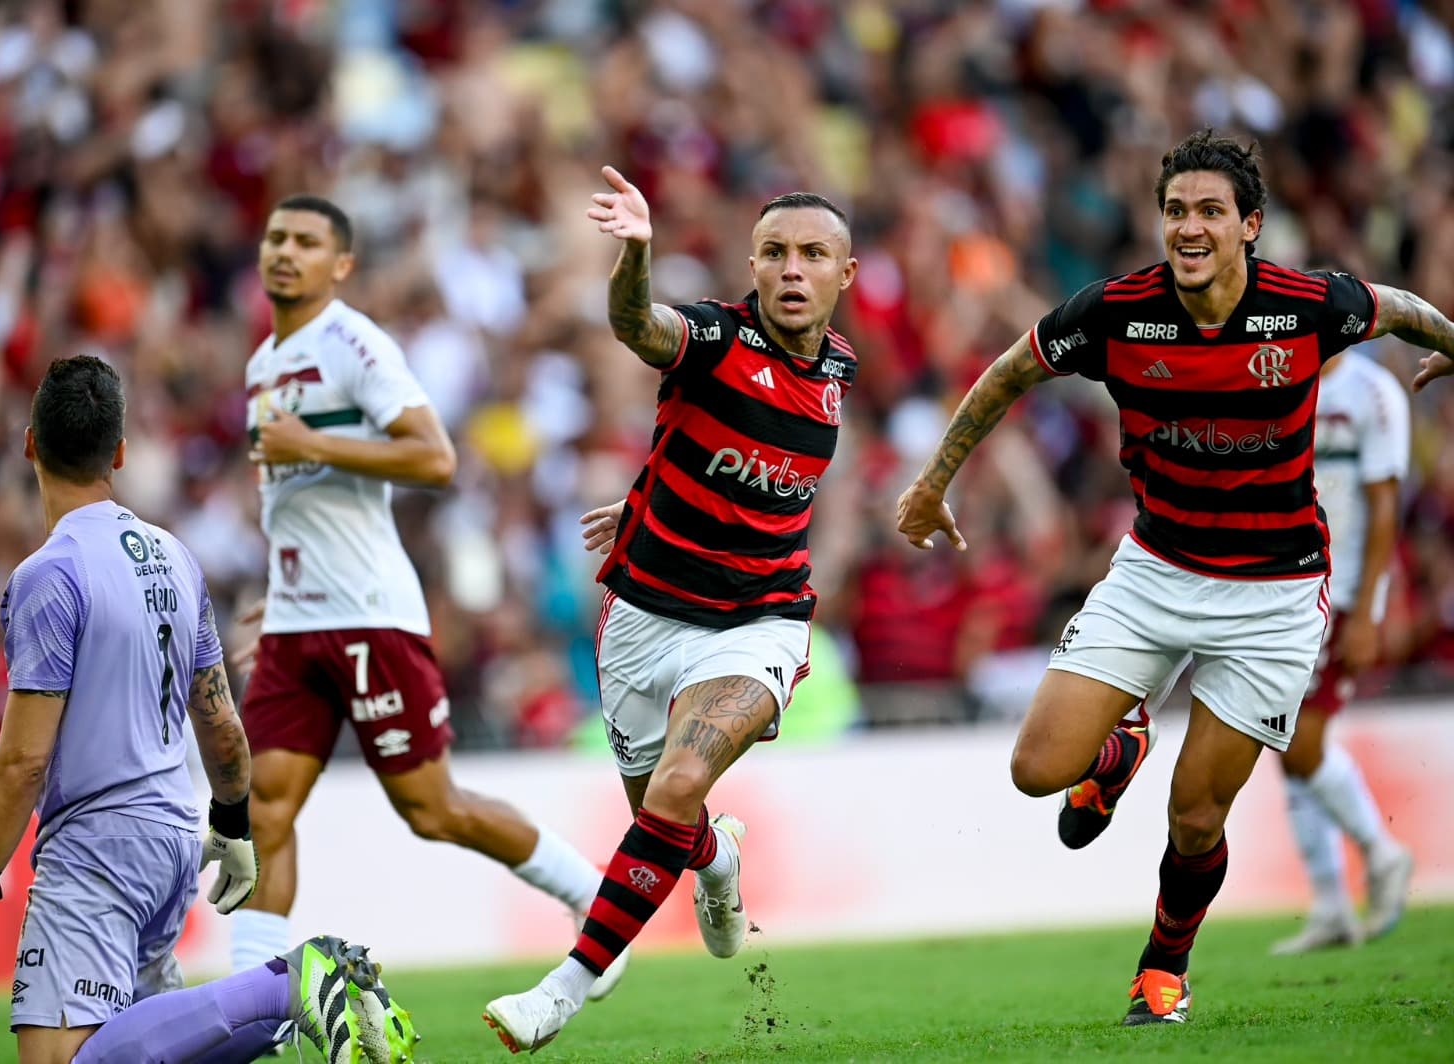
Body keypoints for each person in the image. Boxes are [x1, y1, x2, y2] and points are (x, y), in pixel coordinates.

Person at [894, 129, 1454, 1026]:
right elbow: (1009, 373)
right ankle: (1118, 749)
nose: (1188, 228)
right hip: (1155, 572)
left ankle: (1163, 971)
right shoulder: (1116, 312)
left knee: (1197, 817)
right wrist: (932, 484)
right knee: (1038, 772)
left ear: (1250, 227)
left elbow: (1395, 306)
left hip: (1274, 598)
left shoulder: (1306, 306)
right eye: (1175, 212)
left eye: (1208, 212)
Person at [0, 356, 415, 1064]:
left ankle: (289, 986)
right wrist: (233, 819)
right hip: (169, 840)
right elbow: (216, 715)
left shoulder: (47, 576)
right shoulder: (174, 558)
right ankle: (283, 1009)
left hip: (95, 850)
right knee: (160, 1048)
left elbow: (24, 759)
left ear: (29, 442)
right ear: (120, 453)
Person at [482, 166, 858, 1053]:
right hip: (644, 619)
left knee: (680, 787)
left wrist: (651, 492)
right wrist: (636, 255)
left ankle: (566, 988)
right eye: (774, 252)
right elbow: (636, 325)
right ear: (751, 264)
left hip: (758, 621)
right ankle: (716, 859)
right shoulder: (715, 339)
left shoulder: (839, 367)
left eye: (813, 255)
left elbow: (760, 470)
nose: (791, 270)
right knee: (668, 815)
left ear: (845, 274)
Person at [233, 195, 625, 1014]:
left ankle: (593, 899)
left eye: (306, 242)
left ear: (340, 265)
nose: (285, 252)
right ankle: (248, 1009)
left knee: (432, 809)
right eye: (276, 238)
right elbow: (295, 500)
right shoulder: (263, 363)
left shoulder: (352, 342)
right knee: (265, 804)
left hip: (370, 615)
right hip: (297, 618)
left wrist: (314, 443)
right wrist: (277, 587)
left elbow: (434, 455)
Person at [1269, 349, 1414, 954]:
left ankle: (1383, 853)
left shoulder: (1373, 392)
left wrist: (1370, 607)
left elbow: (1385, 505)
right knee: (1283, 743)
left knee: (1301, 743)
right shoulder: (1274, 378)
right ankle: (1330, 903)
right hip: (1281, 592)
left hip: (1342, 592)